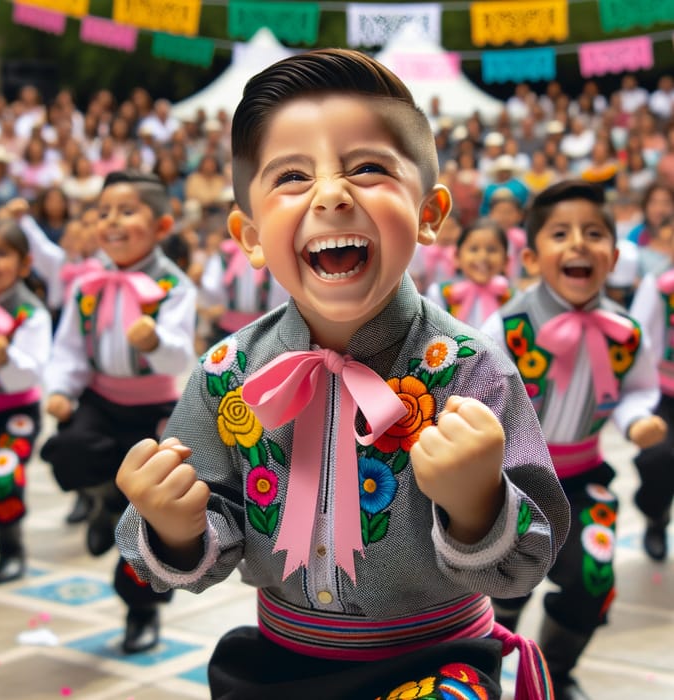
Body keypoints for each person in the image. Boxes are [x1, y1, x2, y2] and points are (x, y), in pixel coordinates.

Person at [114, 49, 569, 699]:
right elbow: (206, 527)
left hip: (436, 664)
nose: (332, 194)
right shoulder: (227, 374)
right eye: (293, 176)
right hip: (281, 664)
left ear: (430, 213)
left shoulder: (470, 370)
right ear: (248, 233)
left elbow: (527, 562)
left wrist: (478, 506)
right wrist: (174, 526)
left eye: (368, 168)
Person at [481, 180, 666, 700]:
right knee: (500, 576)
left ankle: (558, 672)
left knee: (592, 574)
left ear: (613, 255)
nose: (579, 243)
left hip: (587, 476)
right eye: (561, 233)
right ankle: (486, 658)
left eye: (593, 233)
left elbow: (639, 388)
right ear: (535, 256)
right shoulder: (508, 325)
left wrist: (635, 421)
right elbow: (478, 392)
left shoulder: (627, 332)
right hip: (510, 478)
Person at [39, 170, 197, 653]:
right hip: (99, 400)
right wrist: (62, 388)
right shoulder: (88, 282)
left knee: (150, 509)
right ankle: (103, 500)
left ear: (162, 224)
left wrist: (156, 341)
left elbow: (178, 355)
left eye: (127, 211)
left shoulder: (173, 285)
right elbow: (68, 346)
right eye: (104, 211)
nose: (112, 221)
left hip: (151, 408)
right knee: (66, 449)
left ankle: (141, 609)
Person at [0, 218, 52, 582]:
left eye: (0, 254)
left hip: (15, 412)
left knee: (2, 475)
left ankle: (11, 547)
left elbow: (32, 371)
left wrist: (6, 359)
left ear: (23, 264)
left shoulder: (30, 313)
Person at [629, 218, 674, 560]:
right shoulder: (660, 285)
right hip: (663, 389)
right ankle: (655, 513)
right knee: (659, 455)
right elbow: (639, 337)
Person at [425, 218, 512, 328]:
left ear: (506, 261)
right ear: (457, 256)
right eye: (474, 249)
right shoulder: (441, 295)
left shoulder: (511, 298)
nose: (483, 257)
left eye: (492, 250)